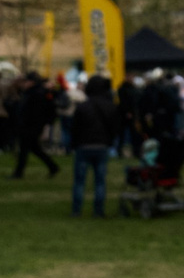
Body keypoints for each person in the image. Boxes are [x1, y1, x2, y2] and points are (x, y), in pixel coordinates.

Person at [67, 74, 119, 217]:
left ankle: (76, 210)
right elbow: (114, 128)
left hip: (84, 145)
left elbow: (75, 128)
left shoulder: (83, 107)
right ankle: (98, 210)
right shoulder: (109, 106)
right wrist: (109, 141)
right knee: (100, 181)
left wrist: (74, 144)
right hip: (101, 145)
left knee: (79, 181)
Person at [10, 74, 59, 179]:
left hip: (30, 126)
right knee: (34, 149)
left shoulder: (36, 94)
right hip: (30, 126)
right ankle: (52, 166)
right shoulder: (33, 93)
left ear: (31, 82)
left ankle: (19, 173)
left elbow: (35, 112)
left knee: (25, 150)